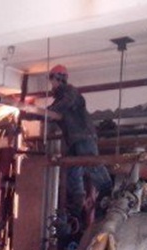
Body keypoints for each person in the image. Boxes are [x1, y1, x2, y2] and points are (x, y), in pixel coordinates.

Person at [48, 64, 113, 225]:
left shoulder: (70, 92)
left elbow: (62, 105)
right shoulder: (60, 99)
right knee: (72, 170)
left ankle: (107, 192)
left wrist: (47, 112)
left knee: (91, 164)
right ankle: (78, 201)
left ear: (58, 78)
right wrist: (31, 113)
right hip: (73, 139)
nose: (52, 84)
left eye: (52, 79)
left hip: (83, 136)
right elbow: (52, 111)